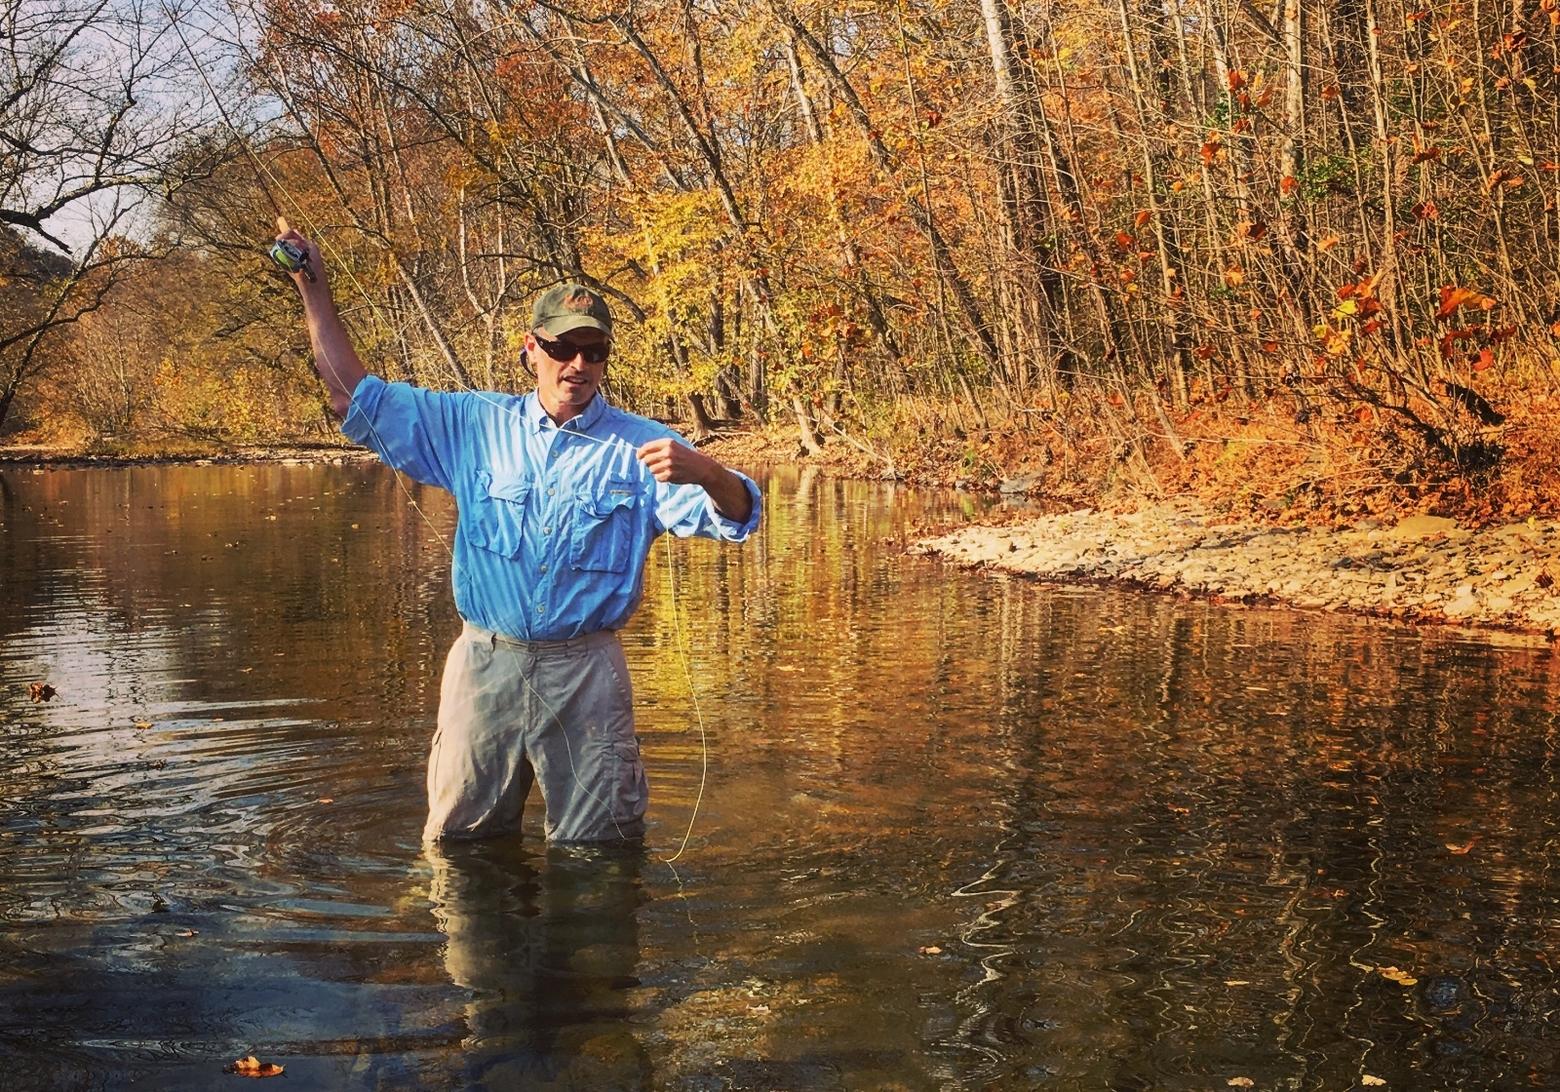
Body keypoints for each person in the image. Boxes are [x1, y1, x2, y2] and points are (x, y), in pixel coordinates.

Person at [275, 222, 761, 844]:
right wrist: (311, 289)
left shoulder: (643, 446)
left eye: (594, 351)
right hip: (485, 664)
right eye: (562, 348)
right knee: (459, 847)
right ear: (530, 349)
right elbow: (352, 398)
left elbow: (739, 516)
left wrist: (710, 472)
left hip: (588, 671)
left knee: (602, 851)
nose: (578, 365)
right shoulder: (470, 423)